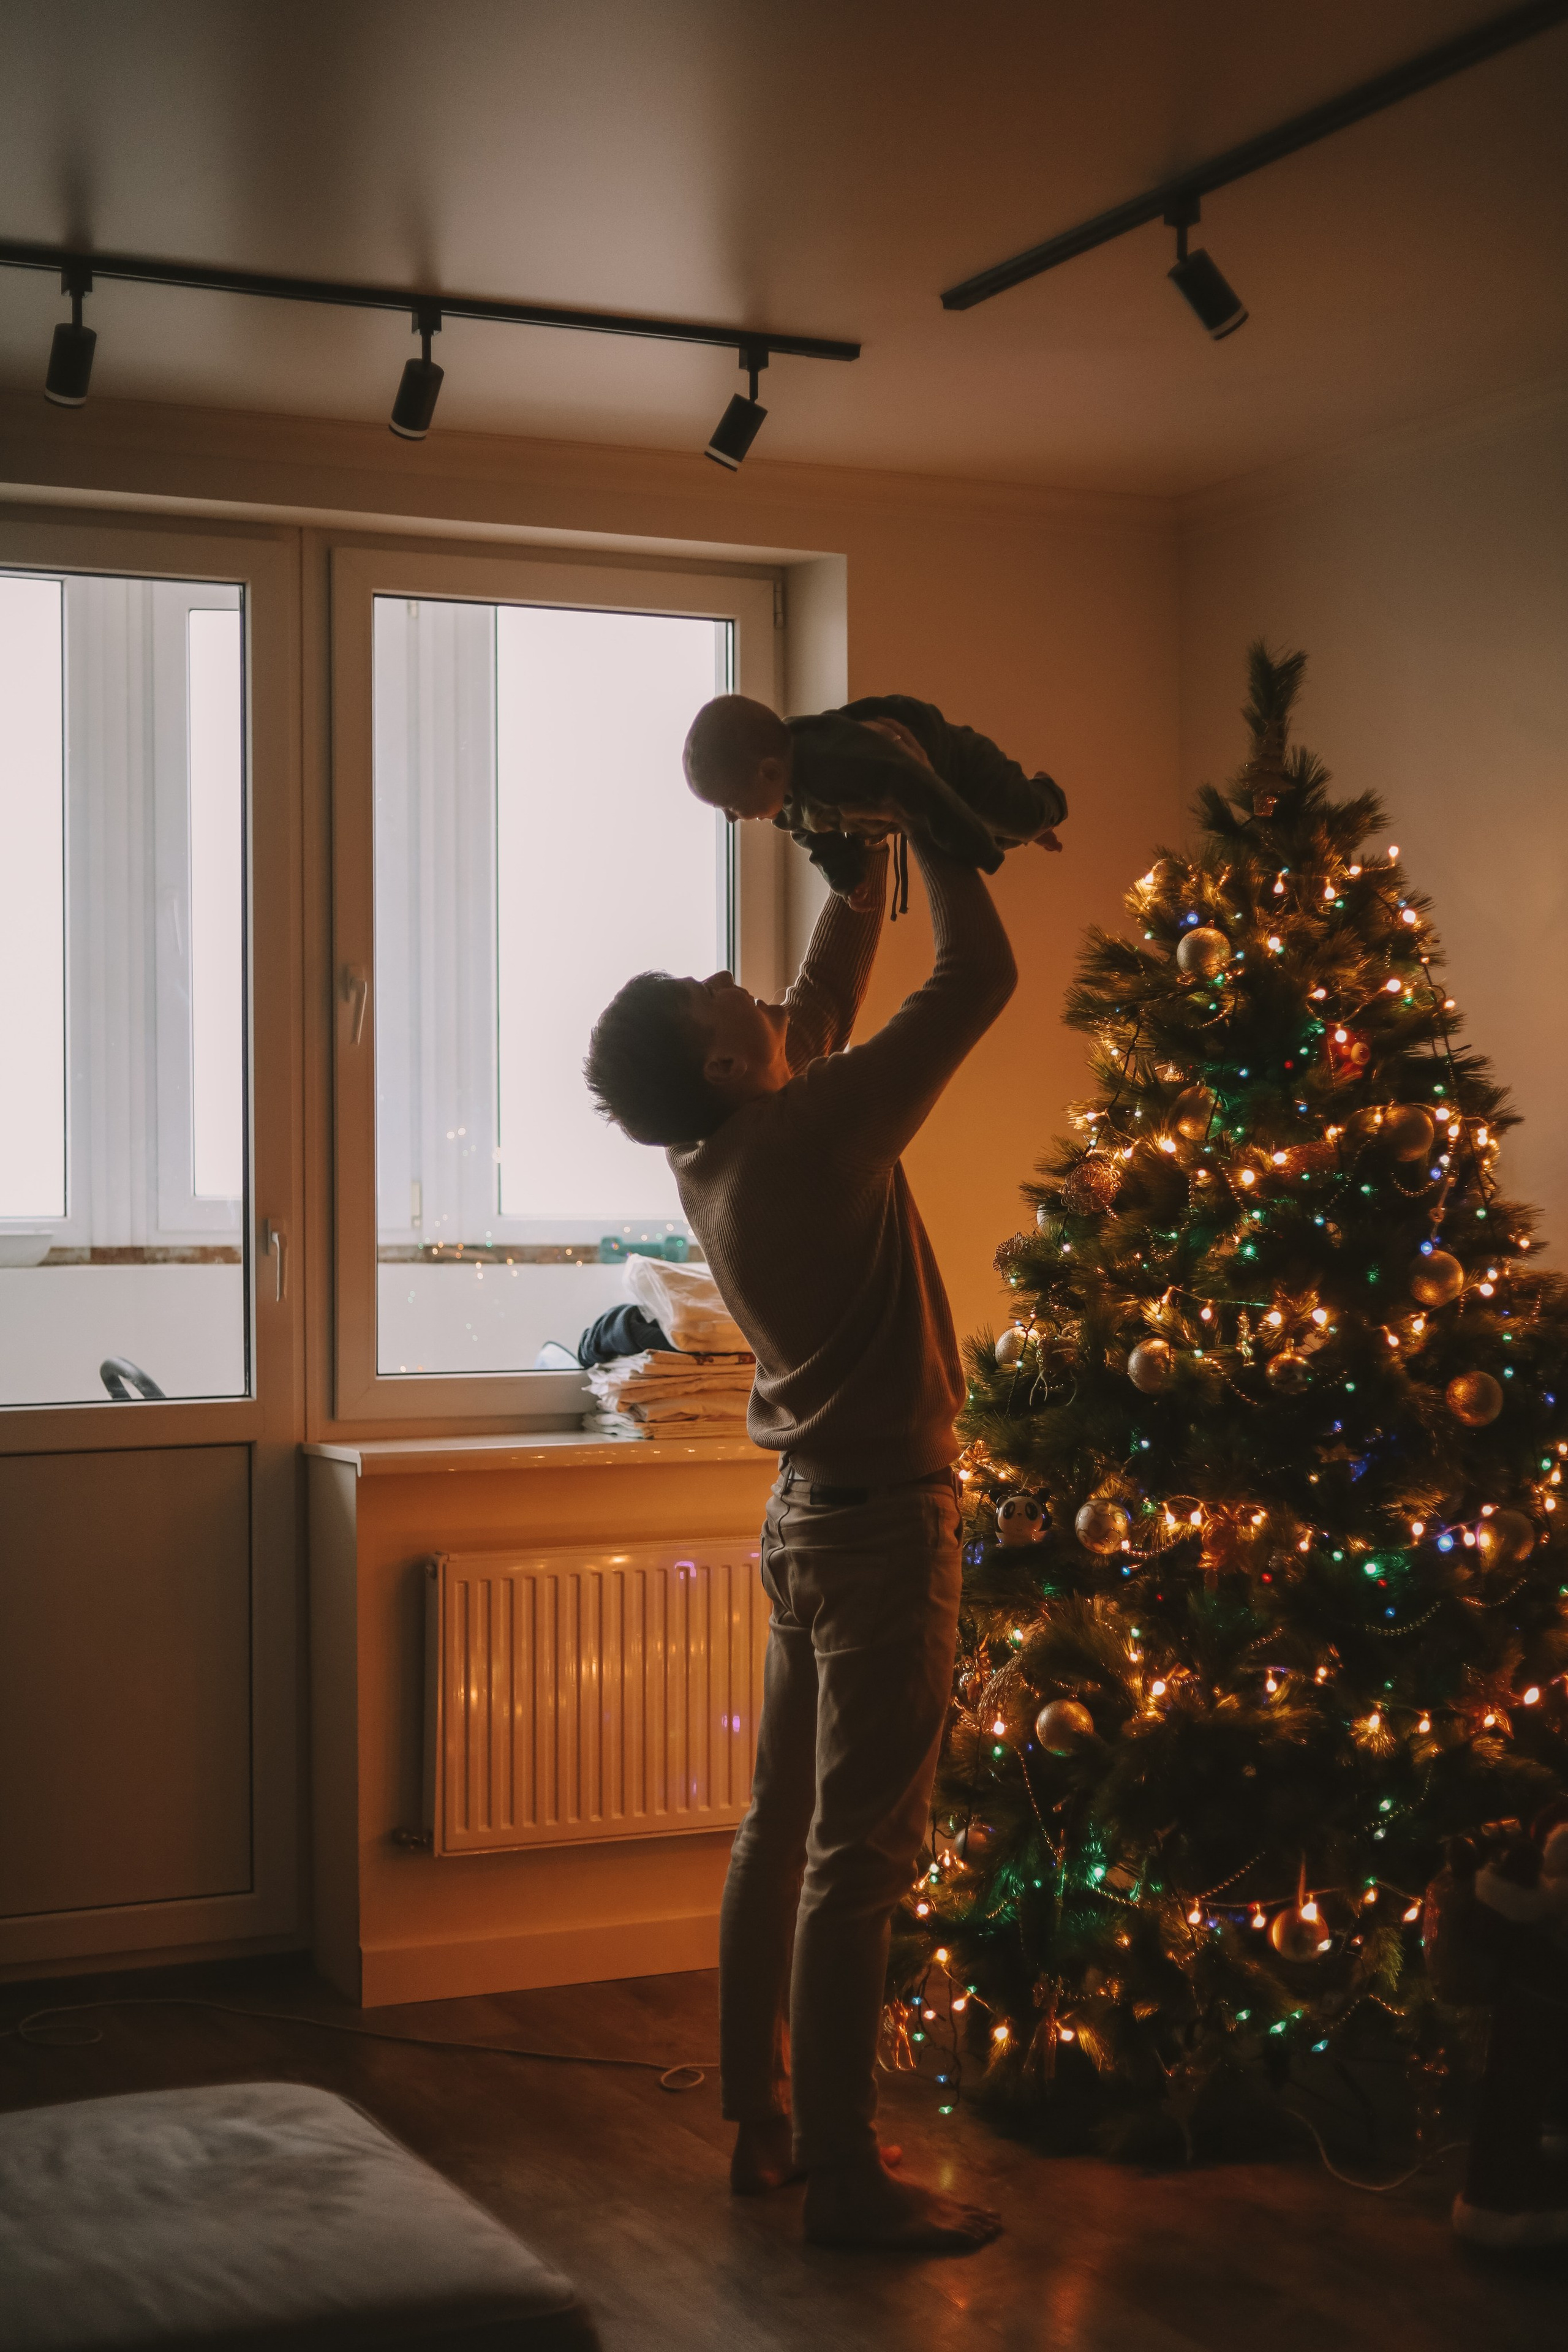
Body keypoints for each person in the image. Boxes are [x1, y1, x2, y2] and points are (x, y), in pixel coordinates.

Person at [584, 815, 1016, 2253]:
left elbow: (813, 1013)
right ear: (725, 1062)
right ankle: (845, 2171)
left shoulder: (722, 1145)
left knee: (776, 1830)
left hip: (805, 1525)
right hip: (888, 1533)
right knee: (859, 1859)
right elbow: (977, 979)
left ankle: (761, 2126)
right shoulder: (813, 1130)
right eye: (724, 997)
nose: (738, 978)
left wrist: (857, 870)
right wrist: (946, 837)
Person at [682, 690, 1066, 902]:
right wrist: (847, 878)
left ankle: (1047, 795)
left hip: (955, 765)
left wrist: (981, 855)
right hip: (921, 795)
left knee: (1022, 816)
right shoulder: (784, 803)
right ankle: (1027, 832)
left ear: (769, 771)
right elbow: (815, 837)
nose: (731, 818)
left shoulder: (834, 761)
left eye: (729, 806)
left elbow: (913, 782)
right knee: (997, 831)